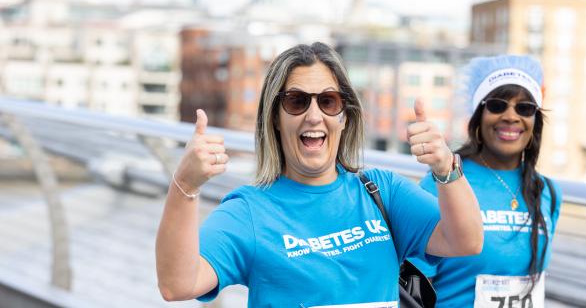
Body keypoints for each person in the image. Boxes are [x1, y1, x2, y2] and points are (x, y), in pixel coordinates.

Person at [155, 42, 483, 307]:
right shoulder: (249, 212)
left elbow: (466, 241)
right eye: (296, 102)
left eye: (328, 101)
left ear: (345, 116)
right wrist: (184, 186)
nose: (314, 115)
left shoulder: (383, 192)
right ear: (275, 119)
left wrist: (445, 169)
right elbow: (177, 285)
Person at [411, 55, 562, 307]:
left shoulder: (546, 191)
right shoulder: (443, 184)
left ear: (535, 120)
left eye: (525, 107)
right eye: (497, 105)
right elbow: (414, 286)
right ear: (479, 114)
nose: (511, 116)